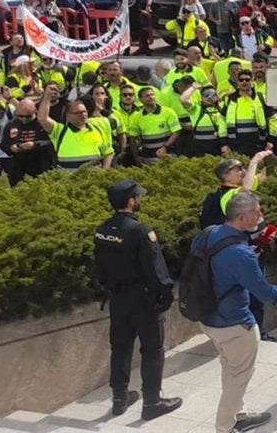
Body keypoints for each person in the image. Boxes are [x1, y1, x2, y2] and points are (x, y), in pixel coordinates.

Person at [192, 192, 277, 433]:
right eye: (257, 212)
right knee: (238, 377)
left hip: (208, 318)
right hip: (234, 325)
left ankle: (239, 415)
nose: (261, 216)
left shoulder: (208, 233)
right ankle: (225, 427)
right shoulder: (240, 253)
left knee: (231, 369)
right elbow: (266, 293)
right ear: (242, 217)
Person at [93, 179, 182, 421]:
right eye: (138, 197)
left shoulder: (102, 229)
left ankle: (119, 399)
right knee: (152, 349)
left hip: (118, 298)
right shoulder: (141, 231)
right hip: (142, 299)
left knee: (120, 347)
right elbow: (156, 269)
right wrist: (165, 295)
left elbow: (99, 269)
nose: (140, 200)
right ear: (131, 201)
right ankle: (152, 401)